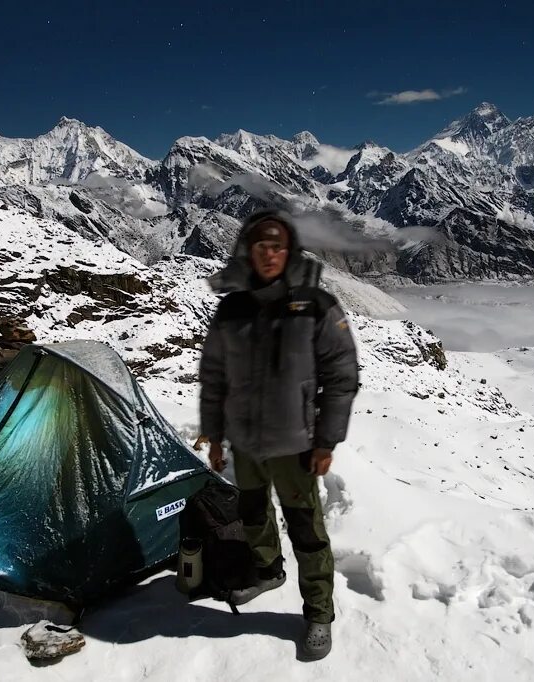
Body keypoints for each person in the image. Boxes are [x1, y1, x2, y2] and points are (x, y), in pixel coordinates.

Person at [198, 208, 359, 661]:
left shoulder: (316, 306)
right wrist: (214, 435)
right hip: (246, 443)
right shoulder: (231, 309)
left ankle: (319, 614)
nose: (269, 253)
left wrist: (326, 440)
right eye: (261, 245)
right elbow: (214, 377)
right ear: (248, 250)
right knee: (253, 516)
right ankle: (268, 570)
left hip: (296, 444)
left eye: (277, 245)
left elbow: (341, 375)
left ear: (289, 253)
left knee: (306, 530)